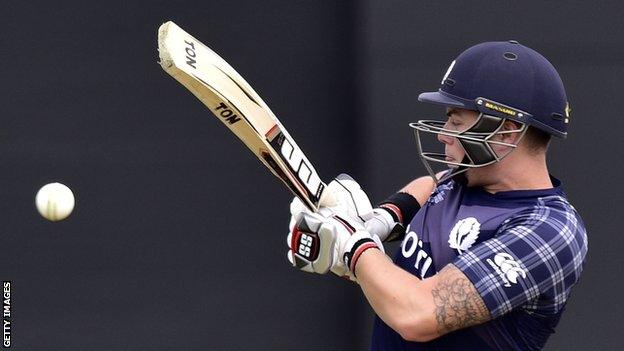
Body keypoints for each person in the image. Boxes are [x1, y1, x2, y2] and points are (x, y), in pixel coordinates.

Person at [286, 41, 588, 350]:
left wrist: (354, 245)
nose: (444, 133)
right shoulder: (460, 180)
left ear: (506, 133)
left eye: (456, 121)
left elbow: (419, 314)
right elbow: (429, 186)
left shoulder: (550, 230)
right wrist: (383, 219)